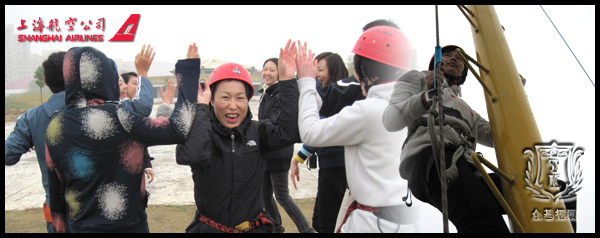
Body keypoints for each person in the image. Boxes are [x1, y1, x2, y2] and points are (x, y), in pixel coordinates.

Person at [45, 44, 200, 232]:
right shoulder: (121, 117)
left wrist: (60, 226)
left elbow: (56, 189)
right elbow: (178, 128)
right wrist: (188, 72)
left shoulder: (55, 126)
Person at [294, 25, 418, 233]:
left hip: (373, 222)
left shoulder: (368, 111)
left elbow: (310, 132)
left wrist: (306, 81)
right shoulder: (415, 105)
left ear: (362, 70)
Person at [176, 40, 302, 233]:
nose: (233, 105)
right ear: (212, 99)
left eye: (240, 98)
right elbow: (191, 155)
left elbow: (288, 132)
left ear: (248, 100)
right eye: (225, 97)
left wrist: (286, 80)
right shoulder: (203, 134)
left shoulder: (259, 132)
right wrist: (200, 107)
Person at [381, 45, 510, 233]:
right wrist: (426, 97)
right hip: (429, 156)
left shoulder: (467, 110)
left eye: (459, 58)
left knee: (543, 196)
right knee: (480, 215)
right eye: (447, 55)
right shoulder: (416, 77)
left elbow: (496, 138)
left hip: (464, 165)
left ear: (464, 70)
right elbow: (390, 119)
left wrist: (512, 96)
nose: (453, 58)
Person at [5, 51, 68, 233]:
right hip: (93, 213)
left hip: (57, 216)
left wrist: (34, 134)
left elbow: (8, 154)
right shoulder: (96, 111)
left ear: (46, 81)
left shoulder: (31, 118)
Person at [290, 52, 349, 233]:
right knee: (320, 220)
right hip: (330, 166)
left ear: (334, 71)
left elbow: (317, 132)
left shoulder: (338, 100)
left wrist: (298, 158)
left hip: (337, 168)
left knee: (328, 223)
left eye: (320, 70)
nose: (317, 75)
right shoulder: (333, 96)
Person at [258, 58, 314, 233]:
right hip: (266, 151)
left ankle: (306, 230)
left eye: (272, 70)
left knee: (282, 196)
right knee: (265, 195)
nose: (267, 73)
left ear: (280, 73)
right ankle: (277, 227)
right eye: (265, 69)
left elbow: (276, 121)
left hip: (279, 151)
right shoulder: (267, 93)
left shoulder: (281, 93)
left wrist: (254, 128)